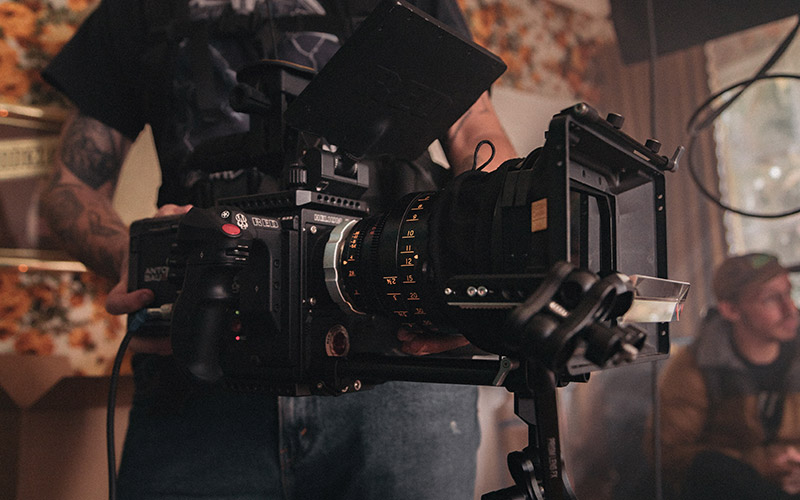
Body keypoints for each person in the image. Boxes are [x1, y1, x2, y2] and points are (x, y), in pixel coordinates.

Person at [39, 0, 517, 498]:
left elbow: (476, 134)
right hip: (203, 370)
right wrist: (135, 255)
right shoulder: (134, 11)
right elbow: (70, 188)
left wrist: (483, 266)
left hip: (399, 368)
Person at [655, 253, 800, 499]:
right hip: (736, 489)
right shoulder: (695, 367)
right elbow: (668, 453)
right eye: (770, 299)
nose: (791, 310)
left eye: (789, 293)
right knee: (710, 467)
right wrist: (755, 463)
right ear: (731, 310)